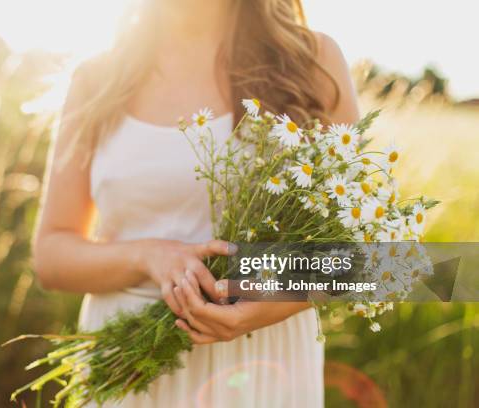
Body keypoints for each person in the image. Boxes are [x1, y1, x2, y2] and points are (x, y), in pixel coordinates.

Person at [33, 0, 359, 406]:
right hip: (129, 370)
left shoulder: (310, 61)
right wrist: (148, 256)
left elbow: (359, 253)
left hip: (264, 366)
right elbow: (51, 256)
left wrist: (268, 304)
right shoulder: (96, 78)